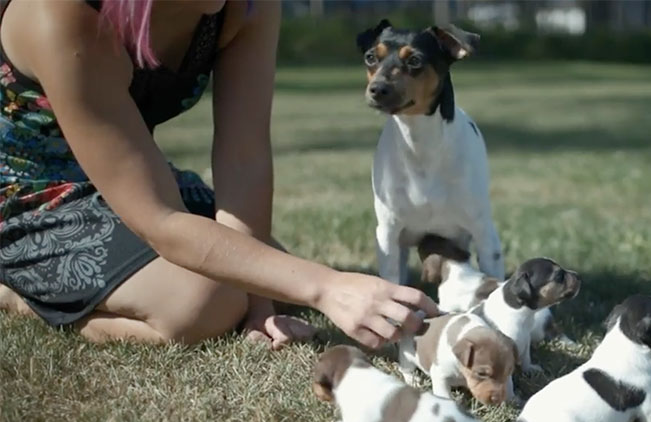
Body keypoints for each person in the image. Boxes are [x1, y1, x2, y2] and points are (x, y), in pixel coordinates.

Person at [0, 0, 437, 349]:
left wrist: (259, 303)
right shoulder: (59, 14)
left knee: (268, 272)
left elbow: (242, 155)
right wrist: (326, 288)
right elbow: (160, 220)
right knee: (202, 304)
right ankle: (17, 296)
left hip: (130, 173)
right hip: (27, 195)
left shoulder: (243, 7)